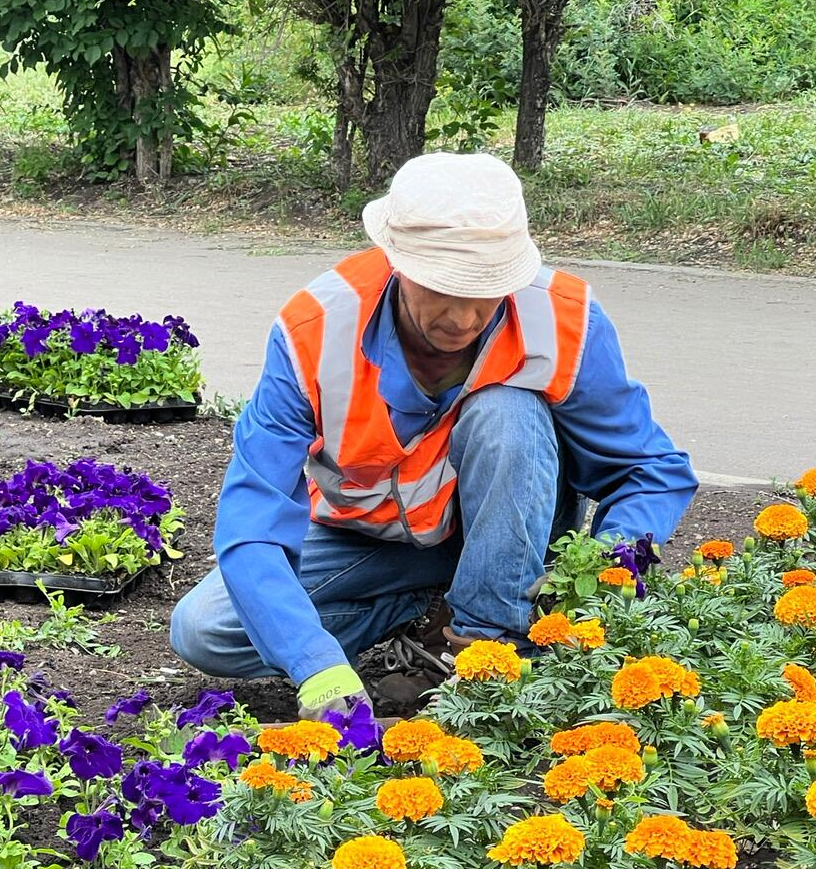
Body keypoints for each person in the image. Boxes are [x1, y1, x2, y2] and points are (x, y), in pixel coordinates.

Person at [168, 152, 697, 719]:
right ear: (395, 263)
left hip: (517, 538)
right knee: (206, 631)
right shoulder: (316, 328)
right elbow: (253, 523)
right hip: (372, 542)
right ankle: (424, 610)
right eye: (443, 289)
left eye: (486, 291)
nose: (464, 318)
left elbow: (649, 473)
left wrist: (601, 575)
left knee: (507, 412)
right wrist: (315, 663)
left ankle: (488, 643)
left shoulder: (562, 320)